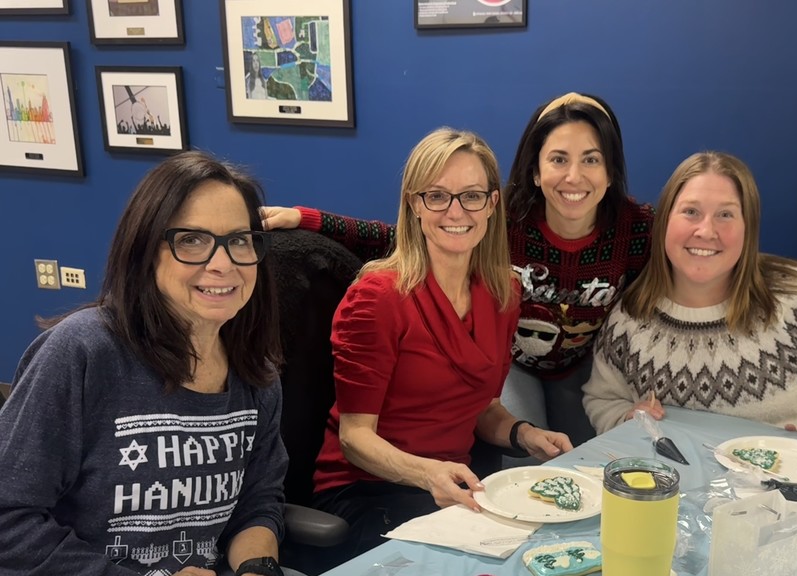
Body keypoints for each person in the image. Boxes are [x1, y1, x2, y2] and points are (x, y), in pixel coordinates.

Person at [0, 151, 304, 576]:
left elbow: (258, 499)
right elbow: (9, 517)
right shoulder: (83, 353)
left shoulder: (256, 371)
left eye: (239, 240)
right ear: (146, 251)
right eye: (191, 240)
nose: (222, 263)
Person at [261, 93, 654, 447]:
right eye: (558, 159)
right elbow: (396, 235)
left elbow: (667, 290)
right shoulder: (507, 217)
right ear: (535, 170)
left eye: (591, 159)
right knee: (523, 462)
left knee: (586, 458)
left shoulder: (636, 228)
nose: (574, 176)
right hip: (511, 364)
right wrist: (307, 218)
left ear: (610, 170)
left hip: (579, 366)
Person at [308, 128, 571, 563]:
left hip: (454, 486)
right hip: (368, 491)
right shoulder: (377, 297)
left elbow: (483, 408)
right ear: (414, 204)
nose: (455, 211)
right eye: (437, 196)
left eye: (470, 196)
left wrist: (525, 434)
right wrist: (427, 473)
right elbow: (355, 439)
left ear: (491, 204)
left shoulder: (502, 292)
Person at [582, 151, 797, 445]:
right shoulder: (631, 314)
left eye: (725, 215)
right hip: (674, 487)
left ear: (748, 228)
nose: (706, 231)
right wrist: (626, 418)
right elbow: (604, 398)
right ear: (664, 222)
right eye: (690, 212)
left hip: (792, 485)